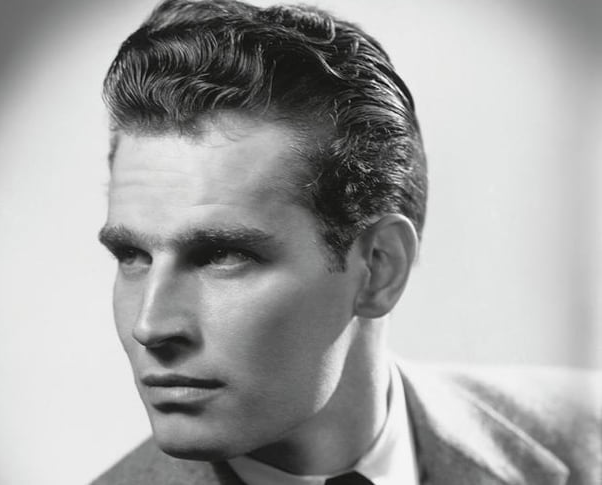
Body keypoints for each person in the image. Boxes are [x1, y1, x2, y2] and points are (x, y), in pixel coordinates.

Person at [93, 1, 601, 483]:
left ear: (380, 267)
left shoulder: (587, 434)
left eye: (222, 255)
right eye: (133, 256)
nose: (150, 326)